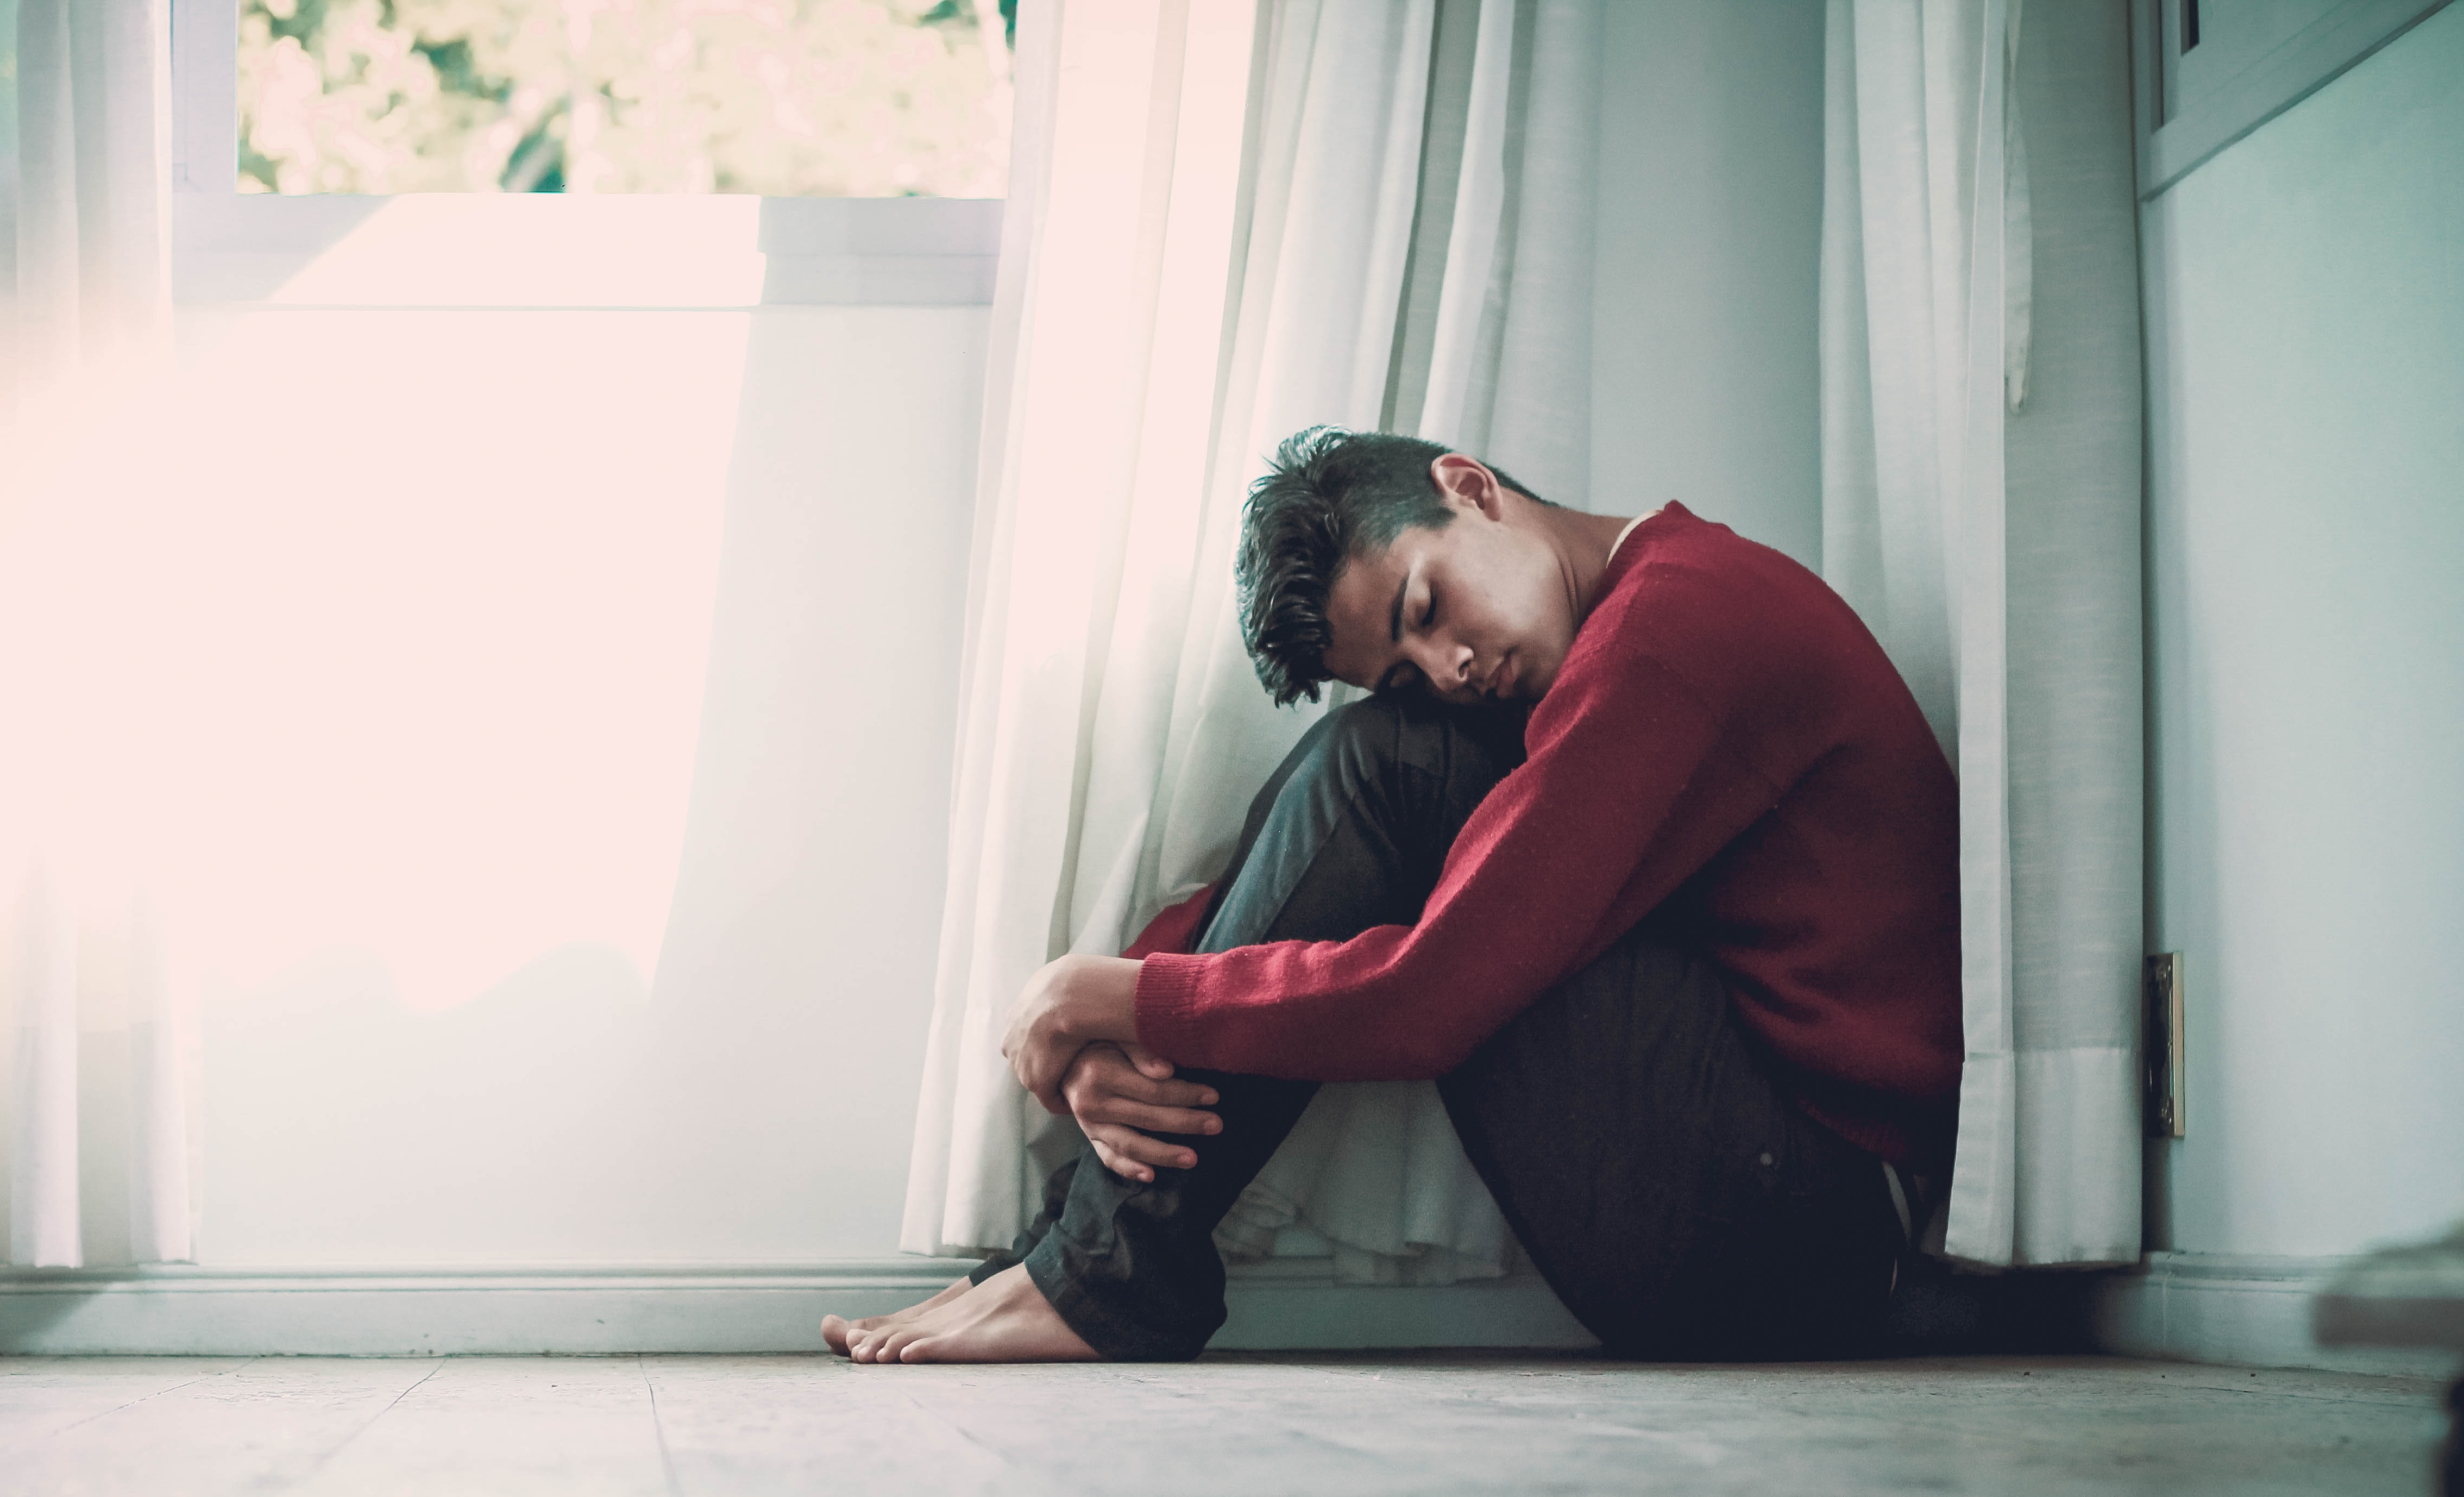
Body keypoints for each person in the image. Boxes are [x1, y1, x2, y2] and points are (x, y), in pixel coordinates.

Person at [824, 427, 1962, 1365]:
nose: (1455, 669)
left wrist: (1111, 1000)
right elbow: (1310, 871)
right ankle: (1086, 1260)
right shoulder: (1623, 632)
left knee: (1389, 763)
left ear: (1470, 488)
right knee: (1382, 751)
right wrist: (1109, 1014)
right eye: (1413, 663)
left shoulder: (1678, 631)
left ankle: (1102, 1276)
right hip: (1759, 1193)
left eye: (1427, 606)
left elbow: (1435, 997)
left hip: (1803, 1234)